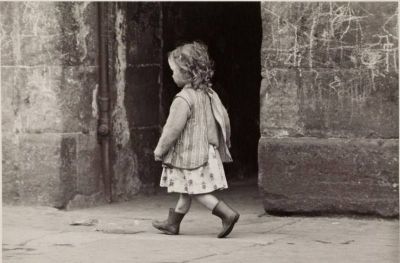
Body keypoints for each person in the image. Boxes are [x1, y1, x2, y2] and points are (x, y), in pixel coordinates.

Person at [152, 41, 240, 238]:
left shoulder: (183, 99)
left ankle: (227, 214)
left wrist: (160, 150)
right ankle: (172, 224)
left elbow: (172, 129)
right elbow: (221, 118)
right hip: (204, 151)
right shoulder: (208, 94)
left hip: (190, 154)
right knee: (186, 189)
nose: (172, 74)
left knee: (197, 191)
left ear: (186, 72)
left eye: (174, 70)